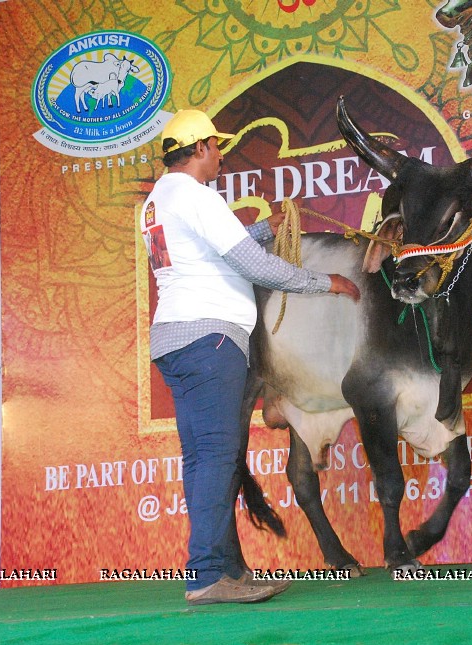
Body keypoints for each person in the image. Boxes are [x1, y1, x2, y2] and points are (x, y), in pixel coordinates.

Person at [141, 109, 361, 605]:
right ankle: (205, 574)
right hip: (211, 340)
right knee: (218, 455)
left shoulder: (158, 200)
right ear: (199, 149)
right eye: (216, 147)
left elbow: (211, 252)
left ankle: (226, 568)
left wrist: (268, 226)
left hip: (175, 338)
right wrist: (326, 283)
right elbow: (251, 264)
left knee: (201, 458)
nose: (219, 155)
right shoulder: (196, 195)